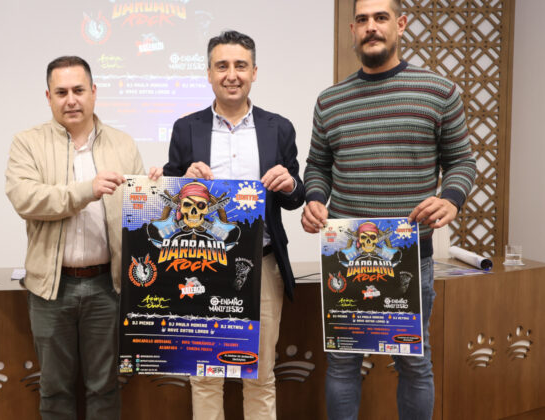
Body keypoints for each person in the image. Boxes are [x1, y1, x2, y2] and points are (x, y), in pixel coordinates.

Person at [301, 0, 477, 418]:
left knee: (413, 363)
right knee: (342, 362)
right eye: (362, 19)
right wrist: (314, 198)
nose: (371, 27)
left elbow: (462, 161)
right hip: (345, 256)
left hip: (410, 256)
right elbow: (318, 166)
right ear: (352, 29)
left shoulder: (439, 91)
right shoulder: (330, 101)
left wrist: (451, 199)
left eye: (381, 18)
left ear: (400, 24)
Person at [162, 30, 305, 420]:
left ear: (254, 72)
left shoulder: (279, 128)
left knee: (259, 374)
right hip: (200, 265)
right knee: (205, 375)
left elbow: (295, 197)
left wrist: (290, 184)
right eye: (222, 66)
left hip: (262, 263)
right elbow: (169, 198)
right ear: (209, 73)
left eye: (240, 65)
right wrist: (181, 181)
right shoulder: (186, 128)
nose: (231, 74)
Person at [5, 56, 155, 420]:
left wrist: (156, 190)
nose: (71, 100)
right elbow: (26, 199)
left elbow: (143, 217)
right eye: (61, 92)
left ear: (93, 92)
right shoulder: (28, 143)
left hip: (108, 286)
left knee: (105, 387)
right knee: (55, 389)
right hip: (52, 288)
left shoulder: (123, 144)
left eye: (78, 90)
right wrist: (87, 190)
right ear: (48, 97)